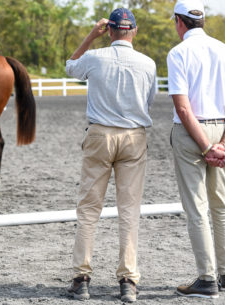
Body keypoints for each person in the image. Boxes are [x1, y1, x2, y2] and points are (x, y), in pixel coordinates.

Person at [65, 8, 156, 303]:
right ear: (134, 31)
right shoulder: (148, 64)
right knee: (129, 211)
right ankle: (128, 280)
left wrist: (91, 35)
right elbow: (149, 101)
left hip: (100, 135)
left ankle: (81, 279)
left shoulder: (95, 57)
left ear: (111, 30)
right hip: (134, 136)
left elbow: (70, 66)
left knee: (89, 209)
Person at [167, 0, 225, 299]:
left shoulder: (178, 54)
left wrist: (206, 147)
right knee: (221, 206)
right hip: (222, 129)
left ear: (179, 21)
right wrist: (224, 144)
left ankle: (207, 279)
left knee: (197, 208)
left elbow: (184, 109)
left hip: (192, 135)